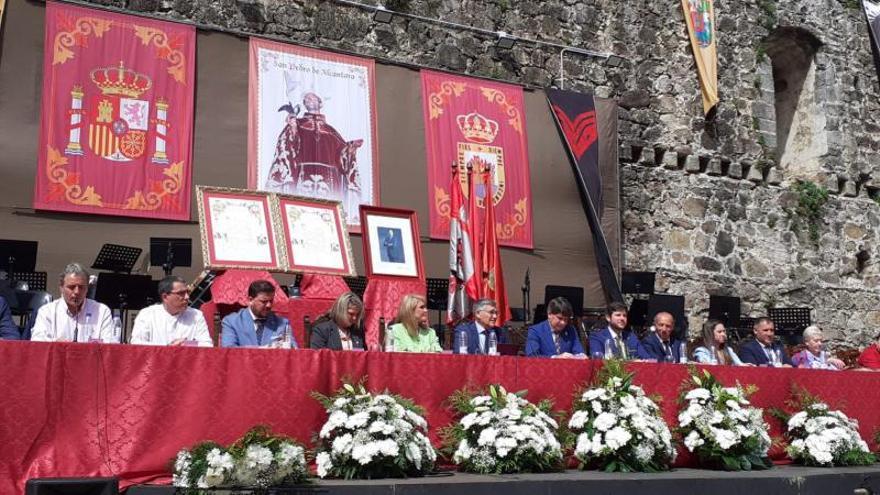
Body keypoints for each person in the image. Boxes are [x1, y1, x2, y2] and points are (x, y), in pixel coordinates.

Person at [265, 92, 363, 203]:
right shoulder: (298, 124)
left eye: (312, 97)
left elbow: (341, 155)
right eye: (306, 99)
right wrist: (292, 128)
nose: (309, 99)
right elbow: (289, 146)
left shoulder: (331, 131)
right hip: (303, 176)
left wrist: (350, 148)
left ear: (320, 103)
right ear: (304, 104)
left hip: (328, 180)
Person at [31, 263, 114, 343]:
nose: (77, 292)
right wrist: (55, 344)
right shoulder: (47, 312)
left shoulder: (102, 311)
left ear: (87, 288)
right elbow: (37, 342)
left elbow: (110, 345)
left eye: (81, 287)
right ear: (61, 287)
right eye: (71, 287)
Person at [131, 276, 212, 347]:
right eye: (181, 293)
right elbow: (136, 344)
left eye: (187, 292)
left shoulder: (196, 315)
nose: (187, 297)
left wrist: (186, 344)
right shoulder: (147, 314)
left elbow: (207, 345)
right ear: (165, 297)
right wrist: (167, 347)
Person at [221, 280, 295, 348]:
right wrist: (264, 349)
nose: (268, 305)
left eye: (271, 301)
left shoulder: (282, 324)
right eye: (264, 301)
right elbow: (228, 350)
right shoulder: (231, 322)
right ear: (250, 300)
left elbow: (293, 350)